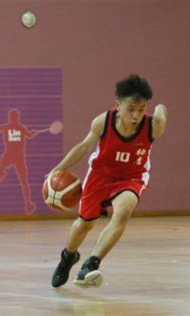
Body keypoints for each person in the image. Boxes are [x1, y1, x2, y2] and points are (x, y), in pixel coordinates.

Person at [50, 74, 168, 288]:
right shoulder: (103, 121)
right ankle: (68, 257)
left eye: (141, 109)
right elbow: (84, 147)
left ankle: (91, 263)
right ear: (118, 105)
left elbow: (161, 112)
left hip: (131, 178)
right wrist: (58, 169)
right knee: (84, 224)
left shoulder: (153, 126)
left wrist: (160, 108)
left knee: (124, 210)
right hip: (100, 176)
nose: (136, 115)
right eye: (131, 108)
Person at [0, 109, 38, 214]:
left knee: (2, 171)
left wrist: (31, 133)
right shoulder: (21, 128)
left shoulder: (6, 127)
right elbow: (29, 135)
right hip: (18, 157)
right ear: (16, 117)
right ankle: (28, 204)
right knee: (24, 182)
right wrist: (32, 133)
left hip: (10, 155)